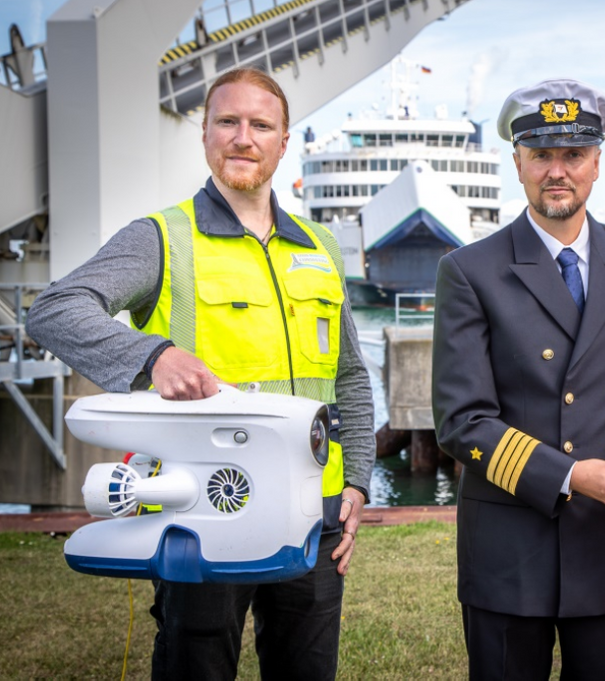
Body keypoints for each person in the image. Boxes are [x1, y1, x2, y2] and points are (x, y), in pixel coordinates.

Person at [27, 67, 374, 680]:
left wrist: (360, 485)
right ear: (207, 135)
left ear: (284, 140)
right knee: (198, 667)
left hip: (313, 510)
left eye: (261, 125)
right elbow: (55, 309)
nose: (244, 138)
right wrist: (152, 356)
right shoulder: (162, 238)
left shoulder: (321, 247)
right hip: (201, 509)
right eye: (228, 122)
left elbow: (347, 375)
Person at [432, 79, 605, 680]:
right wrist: (568, 475)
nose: (556, 171)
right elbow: (462, 421)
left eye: (573, 154)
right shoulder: (468, 270)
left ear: (597, 162)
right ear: (518, 163)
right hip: (510, 548)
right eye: (541, 154)